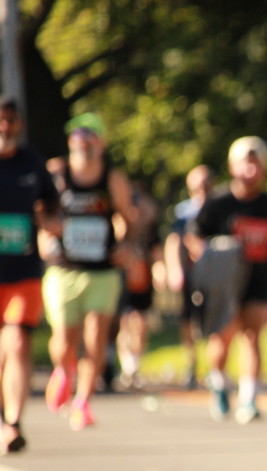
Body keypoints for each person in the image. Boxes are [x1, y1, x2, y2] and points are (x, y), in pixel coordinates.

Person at [41, 113, 139, 430]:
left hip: (101, 270)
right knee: (64, 341)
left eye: (90, 136)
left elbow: (128, 217)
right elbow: (39, 211)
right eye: (78, 136)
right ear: (70, 141)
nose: (84, 142)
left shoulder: (112, 179)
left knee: (95, 338)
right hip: (63, 269)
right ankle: (63, 370)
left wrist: (126, 245)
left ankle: (83, 401)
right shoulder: (57, 174)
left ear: (102, 143)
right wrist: (45, 232)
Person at [189, 137, 267, 424]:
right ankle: (219, 383)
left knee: (252, 334)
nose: (250, 169)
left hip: (258, 279)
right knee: (223, 338)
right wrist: (212, 256)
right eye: (245, 162)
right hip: (225, 283)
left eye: (256, 162)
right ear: (233, 166)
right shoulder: (218, 203)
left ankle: (249, 398)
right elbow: (194, 237)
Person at [0, 96, 60, 453]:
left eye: (10, 120)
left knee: (18, 343)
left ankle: (13, 422)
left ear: (19, 124)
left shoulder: (32, 163)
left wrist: (48, 221)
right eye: (0, 120)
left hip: (23, 272)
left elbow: (52, 204)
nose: (5, 127)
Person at [165, 165, 214, 389]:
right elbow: (174, 241)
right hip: (191, 273)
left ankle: (215, 367)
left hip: (214, 274)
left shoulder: (219, 206)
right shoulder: (183, 212)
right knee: (188, 320)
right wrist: (174, 269)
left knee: (215, 320)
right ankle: (192, 364)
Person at [114, 179, 163, 389]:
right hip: (122, 279)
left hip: (143, 278)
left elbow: (156, 250)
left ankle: (134, 364)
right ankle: (126, 365)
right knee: (125, 321)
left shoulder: (149, 228)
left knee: (139, 321)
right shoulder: (118, 224)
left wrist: (160, 271)